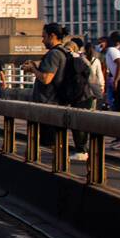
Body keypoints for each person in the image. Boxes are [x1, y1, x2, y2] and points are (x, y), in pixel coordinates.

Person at [22, 22, 87, 162]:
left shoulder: (53, 54)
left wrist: (33, 69)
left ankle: (58, 164)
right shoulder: (65, 52)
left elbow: (46, 78)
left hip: (48, 102)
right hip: (58, 101)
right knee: (55, 141)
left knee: (49, 141)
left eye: (44, 37)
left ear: (52, 36)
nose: (42, 40)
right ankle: (58, 163)